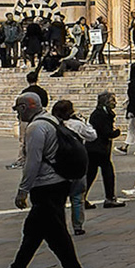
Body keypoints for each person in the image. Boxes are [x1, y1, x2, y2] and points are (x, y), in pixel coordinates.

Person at [0, 92, 88, 268]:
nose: (17, 113)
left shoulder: (35, 127)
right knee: (35, 233)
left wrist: (22, 190)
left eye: (17, 108)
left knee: (55, 233)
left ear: (25, 107)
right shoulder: (51, 120)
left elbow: (32, 162)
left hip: (46, 186)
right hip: (58, 183)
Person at [54, 98, 94, 237]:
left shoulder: (52, 125)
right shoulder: (77, 124)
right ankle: (78, 226)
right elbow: (92, 136)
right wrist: (84, 121)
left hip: (59, 163)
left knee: (59, 199)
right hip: (77, 163)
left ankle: (59, 225)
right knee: (77, 198)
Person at [87, 91, 123, 209]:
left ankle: (82, 197)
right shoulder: (101, 115)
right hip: (99, 149)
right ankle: (110, 198)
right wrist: (116, 132)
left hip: (96, 149)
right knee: (107, 173)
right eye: (113, 100)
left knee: (91, 174)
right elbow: (105, 132)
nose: (115, 103)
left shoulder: (101, 113)